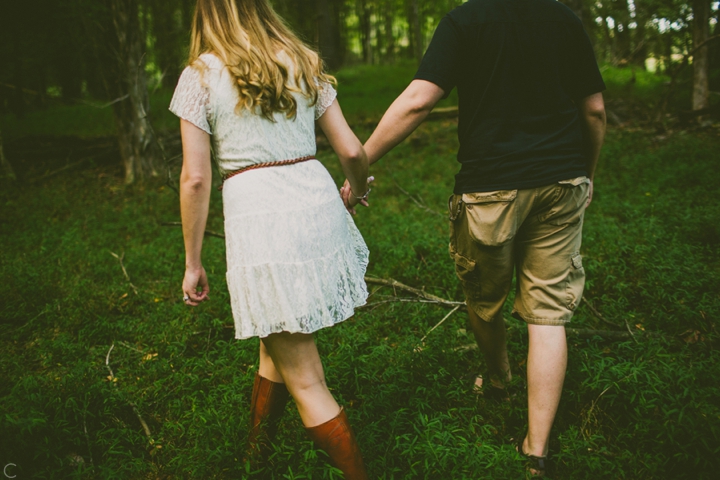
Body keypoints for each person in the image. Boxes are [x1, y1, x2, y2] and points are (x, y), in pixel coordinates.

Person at [341, 0, 606, 476]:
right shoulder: (564, 18)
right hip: (562, 182)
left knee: (485, 300)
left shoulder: (466, 20)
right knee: (548, 315)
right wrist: (586, 175)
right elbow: (595, 109)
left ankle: (500, 377)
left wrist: (361, 162)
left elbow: (420, 100)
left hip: (490, 190)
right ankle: (536, 450)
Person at [170, 1, 371, 478]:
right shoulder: (303, 59)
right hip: (315, 204)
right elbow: (352, 149)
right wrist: (357, 188)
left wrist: (192, 261)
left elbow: (195, 180)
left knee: (307, 378)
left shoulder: (199, 77)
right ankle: (256, 458)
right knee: (274, 340)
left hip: (262, 216)